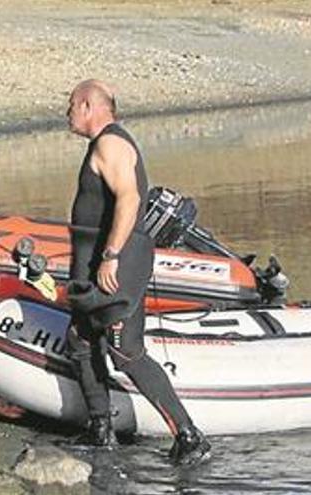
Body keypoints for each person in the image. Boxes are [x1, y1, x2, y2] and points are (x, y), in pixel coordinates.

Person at [64, 79, 211, 465]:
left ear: (86, 106)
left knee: (124, 350)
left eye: (70, 106)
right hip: (94, 265)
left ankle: (189, 436)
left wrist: (111, 256)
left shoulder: (110, 144)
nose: (66, 114)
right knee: (80, 339)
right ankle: (101, 429)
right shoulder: (103, 144)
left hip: (113, 264)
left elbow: (130, 199)